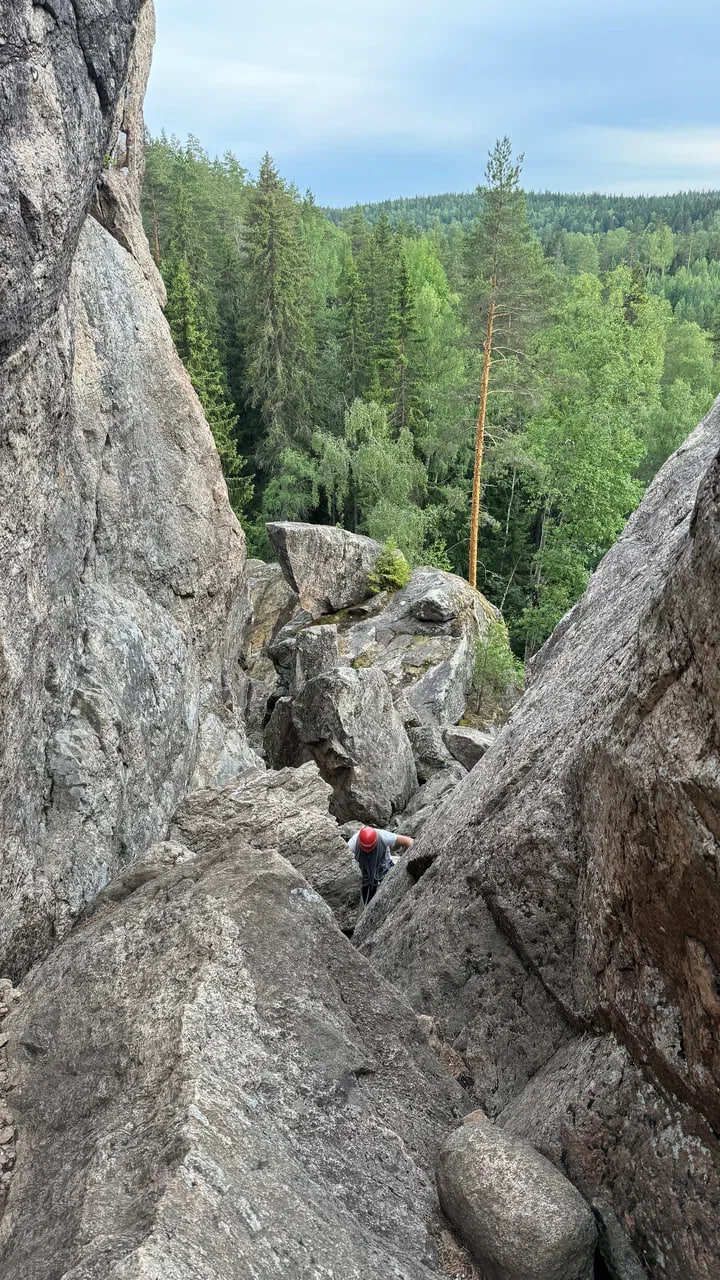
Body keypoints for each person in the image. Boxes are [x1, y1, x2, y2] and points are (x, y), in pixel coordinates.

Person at [348, 825, 414, 906]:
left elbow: (408, 841)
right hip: (364, 869)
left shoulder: (383, 836)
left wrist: (410, 859)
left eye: (370, 848)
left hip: (383, 864)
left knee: (393, 884)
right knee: (367, 891)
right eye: (366, 849)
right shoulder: (353, 843)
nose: (368, 852)